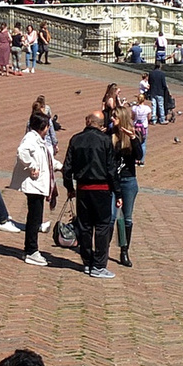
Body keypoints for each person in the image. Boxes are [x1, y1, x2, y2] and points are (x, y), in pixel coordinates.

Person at [62, 111, 117, 279]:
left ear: (87, 122)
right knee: (101, 226)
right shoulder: (106, 140)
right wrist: (118, 191)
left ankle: (87, 261)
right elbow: (111, 170)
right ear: (100, 125)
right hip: (101, 188)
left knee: (85, 226)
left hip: (83, 188)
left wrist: (69, 187)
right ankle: (99, 265)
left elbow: (67, 168)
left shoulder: (76, 139)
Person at [11, 110, 56, 265]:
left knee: (35, 217)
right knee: (34, 218)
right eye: (48, 126)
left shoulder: (38, 139)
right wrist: (31, 166)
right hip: (34, 184)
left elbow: (46, 160)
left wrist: (60, 166)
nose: (49, 129)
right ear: (42, 126)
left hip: (38, 184)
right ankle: (31, 250)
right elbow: (22, 152)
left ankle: (30, 249)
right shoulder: (31, 138)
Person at [109, 106, 143, 268]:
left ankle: (124, 250)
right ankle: (103, 250)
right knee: (110, 217)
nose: (111, 120)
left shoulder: (132, 135)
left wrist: (134, 139)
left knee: (126, 218)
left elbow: (139, 156)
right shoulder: (109, 135)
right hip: (112, 181)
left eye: (114, 117)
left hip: (128, 180)